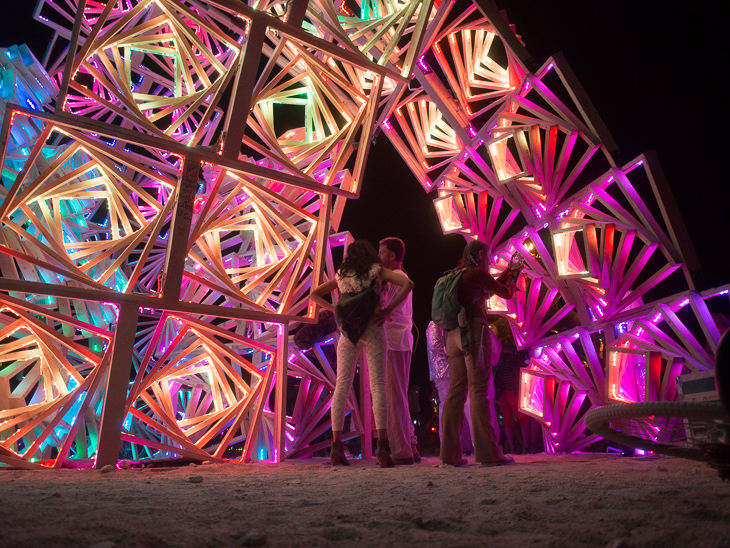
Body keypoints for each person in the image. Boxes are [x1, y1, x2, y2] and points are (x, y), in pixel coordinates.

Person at [309, 239, 414, 467]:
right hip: (374, 330)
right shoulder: (378, 272)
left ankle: (336, 450)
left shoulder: (341, 275)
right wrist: (388, 310)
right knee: (378, 386)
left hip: (349, 334)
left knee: (342, 386)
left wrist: (335, 309)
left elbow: (314, 295)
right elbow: (408, 285)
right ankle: (383, 449)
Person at [440, 239, 519, 467]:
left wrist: (503, 275)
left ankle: (450, 454)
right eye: (489, 256)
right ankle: (488, 453)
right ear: (482, 253)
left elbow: (483, 294)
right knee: (479, 392)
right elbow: (506, 293)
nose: (489, 260)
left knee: (455, 394)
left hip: (453, 335)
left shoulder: (457, 273)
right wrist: (512, 278)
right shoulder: (477, 273)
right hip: (473, 333)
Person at [378, 237, 419, 464]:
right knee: (399, 395)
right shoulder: (401, 278)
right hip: (400, 340)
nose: (379, 256)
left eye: (382, 252)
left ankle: (401, 450)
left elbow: (384, 309)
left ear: (392, 256)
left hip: (394, 340)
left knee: (394, 396)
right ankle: (410, 445)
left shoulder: (397, 278)